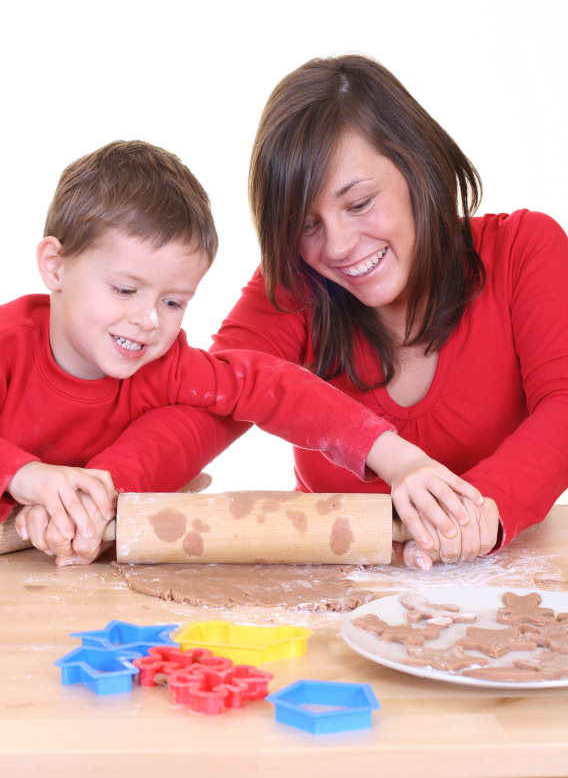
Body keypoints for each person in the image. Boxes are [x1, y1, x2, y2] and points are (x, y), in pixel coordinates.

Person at [86, 55, 568, 570]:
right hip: (332, 595)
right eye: (307, 223)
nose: (337, 246)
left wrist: (475, 513)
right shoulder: (298, 284)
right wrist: (100, 487)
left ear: (415, 166)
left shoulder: (525, 249)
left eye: (358, 204)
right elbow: (210, 397)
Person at [1, 139, 483, 565]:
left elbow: (277, 389)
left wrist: (398, 459)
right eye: (125, 290)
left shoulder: (164, 364)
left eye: (173, 302)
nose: (149, 320)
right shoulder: (10, 344)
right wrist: (27, 478)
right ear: (54, 267)